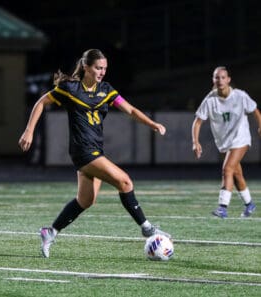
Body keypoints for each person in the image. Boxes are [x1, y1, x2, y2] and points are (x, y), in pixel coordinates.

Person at [18, 49, 171, 258]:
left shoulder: (106, 90)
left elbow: (131, 110)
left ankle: (50, 231)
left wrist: (152, 124)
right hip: (83, 151)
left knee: (86, 200)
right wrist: (29, 131)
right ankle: (148, 229)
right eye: (98, 68)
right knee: (125, 182)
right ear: (86, 67)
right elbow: (41, 103)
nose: (102, 72)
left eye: (105, 68)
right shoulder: (70, 88)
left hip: (96, 150)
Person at [192, 66, 261, 218]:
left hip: (241, 138)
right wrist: (195, 142)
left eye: (223, 77)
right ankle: (250, 204)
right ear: (213, 80)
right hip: (224, 142)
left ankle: (222, 207)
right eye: (217, 77)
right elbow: (197, 122)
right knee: (236, 174)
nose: (220, 80)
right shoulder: (210, 99)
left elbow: (255, 110)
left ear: (228, 79)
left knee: (227, 169)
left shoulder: (240, 96)